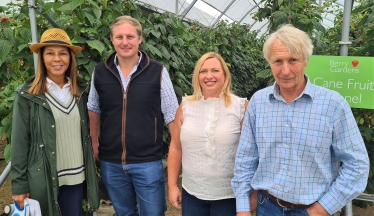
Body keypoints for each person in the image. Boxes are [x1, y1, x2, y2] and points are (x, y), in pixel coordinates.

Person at [231, 24, 370, 216]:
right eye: (277, 61)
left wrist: (322, 209)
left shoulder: (333, 105)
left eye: (293, 60)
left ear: (305, 60)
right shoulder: (258, 102)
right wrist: (243, 207)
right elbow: (246, 158)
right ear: (269, 62)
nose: (285, 70)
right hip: (266, 207)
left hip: (312, 209)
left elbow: (357, 164)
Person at [87, 15, 178, 215]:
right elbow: (93, 108)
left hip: (148, 161)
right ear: (111, 39)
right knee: (124, 212)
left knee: (153, 213)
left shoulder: (158, 71)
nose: (125, 42)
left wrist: (177, 148)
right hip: (111, 161)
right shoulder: (99, 72)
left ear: (140, 38)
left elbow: (172, 113)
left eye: (130, 36)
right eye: (119, 37)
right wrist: (94, 142)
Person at [11, 28, 99, 216]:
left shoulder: (82, 91)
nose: (57, 59)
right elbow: (20, 142)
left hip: (76, 177)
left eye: (62, 54)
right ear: (42, 58)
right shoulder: (28, 95)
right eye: (50, 53)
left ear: (70, 58)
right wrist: (19, 185)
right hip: (44, 177)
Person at [168, 52, 257, 215]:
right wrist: (172, 185)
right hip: (192, 194)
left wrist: (254, 194)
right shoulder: (185, 106)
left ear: (225, 74)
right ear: (197, 76)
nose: (209, 76)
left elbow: (254, 154)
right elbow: (175, 147)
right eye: (203, 71)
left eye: (215, 70)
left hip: (229, 196)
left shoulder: (241, 107)